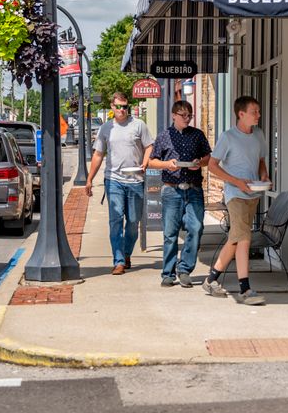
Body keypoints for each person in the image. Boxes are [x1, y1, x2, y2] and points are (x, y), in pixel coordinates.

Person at [204, 96, 270, 305]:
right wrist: (236, 182)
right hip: (235, 194)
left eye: (258, 111)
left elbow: (260, 160)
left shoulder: (259, 134)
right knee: (244, 238)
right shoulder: (228, 137)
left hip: (253, 194)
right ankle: (245, 289)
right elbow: (212, 165)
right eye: (254, 112)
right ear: (241, 114)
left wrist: (264, 175)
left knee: (236, 237)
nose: (258, 115)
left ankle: (211, 279)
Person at [85, 92, 153, 275]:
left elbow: (149, 146)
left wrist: (145, 162)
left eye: (125, 106)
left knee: (132, 221)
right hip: (113, 180)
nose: (122, 110)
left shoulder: (139, 125)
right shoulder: (106, 128)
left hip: (136, 180)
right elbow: (98, 154)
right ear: (112, 107)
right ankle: (119, 261)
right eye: (118, 106)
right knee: (115, 221)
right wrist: (90, 179)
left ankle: (127, 253)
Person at [147, 99, 212, 288]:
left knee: (196, 227)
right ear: (174, 115)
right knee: (170, 233)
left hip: (193, 189)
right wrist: (167, 164)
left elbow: (208, 157)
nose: (187, 118)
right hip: (171, 190)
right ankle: (167, 273)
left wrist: (199, 163)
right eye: (183, 115)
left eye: (189, 115)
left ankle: (185, 269)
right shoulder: (164, 136)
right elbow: (152, 161)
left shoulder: (197, 135)